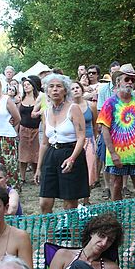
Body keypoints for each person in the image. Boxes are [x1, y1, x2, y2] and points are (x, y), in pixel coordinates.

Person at [35, 74, 88, 213]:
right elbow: (44, 143)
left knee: (70, 203)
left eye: (59, 86)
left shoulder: (74, 108)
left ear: (65, 90)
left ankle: (72, 234)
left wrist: (72, 159)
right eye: (51, 87)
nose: (55, 90)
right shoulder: (45, 112)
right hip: (51, 154)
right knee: (44, 202)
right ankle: (50, 234)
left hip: (71, 153)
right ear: (47, 91)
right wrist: (39, 168)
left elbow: (81, 137)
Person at [97, 64, 135, 201]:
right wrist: (113, 153)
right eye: (127, 79)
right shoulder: (110, 103)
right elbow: (104, 129)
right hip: (117, 155)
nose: (131, 82)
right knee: (116, 186)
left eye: (133, 80)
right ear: (118, 81)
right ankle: (117, 217)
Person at [96, 62, 121, 200]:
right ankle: (107, 187)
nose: (116, 75)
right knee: (107, 160)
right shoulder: (104, 90)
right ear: (110, 73)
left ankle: (122, 187)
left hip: (122, 133)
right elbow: (100, 111)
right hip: (107, 130)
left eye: (118, 72)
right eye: (113, 72)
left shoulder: (126, 90)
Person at [71, 81, 97, 205]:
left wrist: (95, 140)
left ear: (82, 90)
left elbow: (95, 124)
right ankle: (75, 198)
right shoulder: (69, 108)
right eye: (72, 88)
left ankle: (87, 200)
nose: (75, 90)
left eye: (77, 87)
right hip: (74, 142)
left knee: (90, 170)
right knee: (76, 170)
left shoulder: (91, 105)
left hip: (89, 140)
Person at [18, 77, 42, 183]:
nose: (26, 86)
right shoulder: (21, 99)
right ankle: (22, 177)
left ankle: (35, 176)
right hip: (23, 129)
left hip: (36, 129)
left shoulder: (39, 98)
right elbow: (17, 114)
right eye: (24, 85)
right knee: (23, 154)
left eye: (28, 84)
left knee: (35, 154)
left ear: (33, 85)